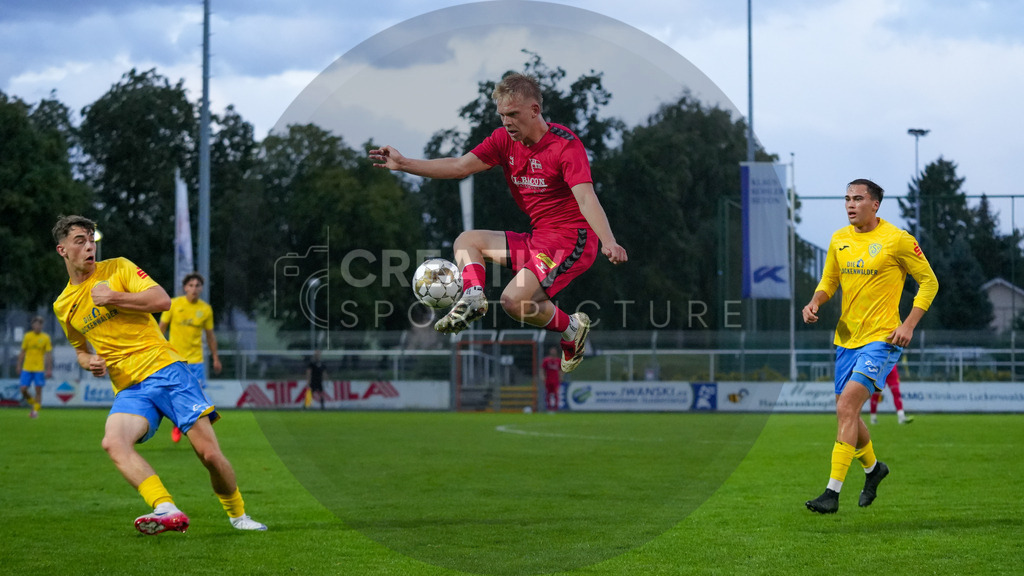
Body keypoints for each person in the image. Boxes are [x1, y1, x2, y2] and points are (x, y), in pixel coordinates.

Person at [369, 72, 627, 373]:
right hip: (539, 239)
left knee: (511, 299)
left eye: (513, 114)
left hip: (572, 240)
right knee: (468, 242)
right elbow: (459, 166)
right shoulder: (504, 140)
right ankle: (482, 299)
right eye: (502, 115)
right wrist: (403, 164)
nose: (506, 122)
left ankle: (568, 328)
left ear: (534, 110)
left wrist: (609, 241)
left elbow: (585, 198)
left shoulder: (565, 146)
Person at [51, 215, 266, 534]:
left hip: (165, 369)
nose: (88, 246)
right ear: (62, 250)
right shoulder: (63, 305)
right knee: (114, 442)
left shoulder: (118, 268)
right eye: (79, 241)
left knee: (209, 455)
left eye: (91, 239)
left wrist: (114, 297)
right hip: (129, 388)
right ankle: (166, 508)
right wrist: (88, 362)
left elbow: (161, 300)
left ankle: (238, 515)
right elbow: (80, 349)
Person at [801, 179, 938, 514]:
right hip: (846, 339)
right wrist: (815, 301)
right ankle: (874, 470)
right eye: (847, 198)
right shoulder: (839, 239)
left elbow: (929, 282)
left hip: (883, 339)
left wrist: (908, 325)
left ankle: (831, 494)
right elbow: (829, 280)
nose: (850, 204)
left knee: (847, 407)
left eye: (858, 198)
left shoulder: (897, 240)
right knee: (847, 411)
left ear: (875, 204)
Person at [159, 272, 223, 442]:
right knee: (175, 395)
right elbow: (161, 328)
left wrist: (215, 357)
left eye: (197, 286)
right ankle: (178, 423)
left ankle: (198, 428)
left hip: (196, 360)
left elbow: (210, 336)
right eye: (191, 285)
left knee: (197, 396)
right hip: (175, 359)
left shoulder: (205, 309)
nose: (194, 289)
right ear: (185, 288)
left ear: (201, 289)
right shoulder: (173, 304)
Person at [17, 316, 53, 418]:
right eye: (36, 324)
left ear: (42, 326)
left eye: (40, 324)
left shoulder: (45, 338)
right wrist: (19, 365)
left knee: (38, 391)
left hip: (39, 369)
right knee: (23, 389)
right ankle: (34, 403)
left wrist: (49, 368)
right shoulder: (27, 336)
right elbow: (23, 352)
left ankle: (35, 412)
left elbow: (48, 354)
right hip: (27, 368)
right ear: (32, 325)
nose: (38, 326)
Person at [541, 346, 561, 411]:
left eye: (554, 350)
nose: (553, 352)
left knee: (556, 394)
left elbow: (562, 369)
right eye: (552, 350)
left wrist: (561, 376)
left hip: (556, 380)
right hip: (548, 380)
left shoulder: (558, 360)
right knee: (548, 394)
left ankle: (556, 407)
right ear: (550, 351)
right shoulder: (546, 360)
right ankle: (549, 407)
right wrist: (543, 376)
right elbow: (542, 369)